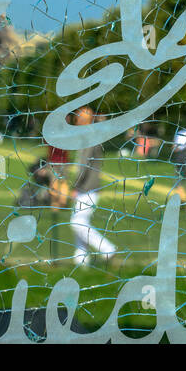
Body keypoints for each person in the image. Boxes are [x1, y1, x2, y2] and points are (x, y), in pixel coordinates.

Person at [70, 107, 116, 265]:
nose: (76, 121)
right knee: (80, 220)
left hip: (87, 188)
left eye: (78, 118)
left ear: (83, 120)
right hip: (87, 188)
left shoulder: (89, 137)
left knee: (77, 223)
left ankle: (107, 248)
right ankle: (81, 257)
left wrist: (74, 187)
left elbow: (83, 166)